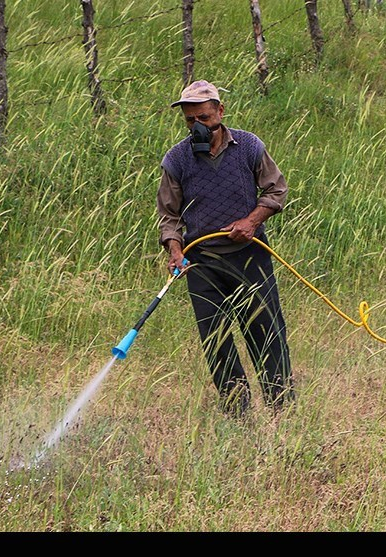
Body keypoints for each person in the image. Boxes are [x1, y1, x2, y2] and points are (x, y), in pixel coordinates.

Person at [156, 80, 294, 418]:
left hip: (251, 255)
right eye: (190, 121)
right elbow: (169, 216)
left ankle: (283, 414)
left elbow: (276, 191)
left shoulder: (248, 146)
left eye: (203, 118)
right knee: (216, 342)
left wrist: (251, 222)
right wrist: (175, 250)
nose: (197, 127)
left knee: (266, 334)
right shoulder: (176, 160)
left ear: (220, 112)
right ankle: (238, 416)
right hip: (201, 263)